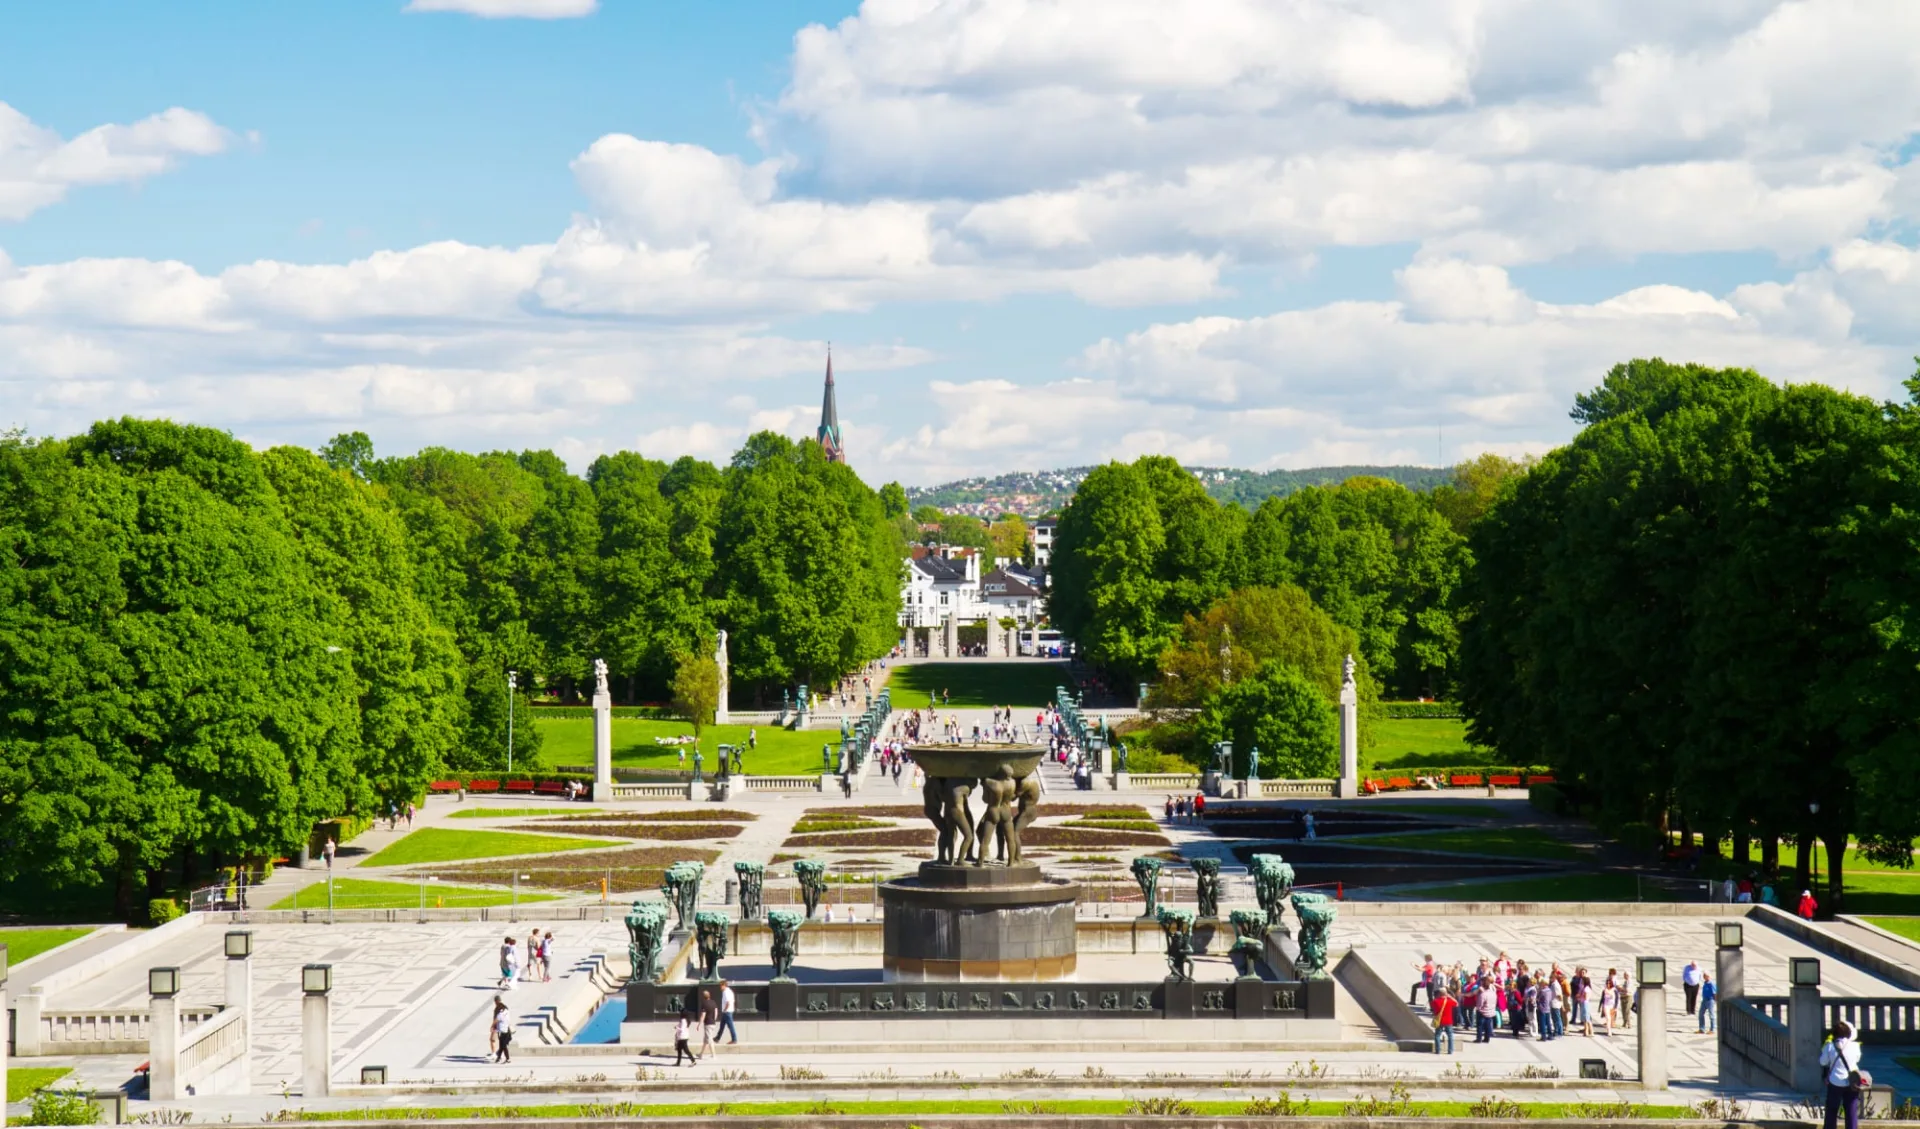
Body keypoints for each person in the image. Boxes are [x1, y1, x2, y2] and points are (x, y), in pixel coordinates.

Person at [1820, 1019, 1865, 1129]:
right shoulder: (1855, 1046)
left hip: (1835, 1082)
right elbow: (1857, 1059)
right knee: (1851, 1109)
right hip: (1852, 1081)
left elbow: (1822, 1062)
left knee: (1832, 1109)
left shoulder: (1830, 1046)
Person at [1431, 986, 1457, 1054]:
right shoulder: (1449, 1001)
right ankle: (1450, 1050)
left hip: (1439, 1021)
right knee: (1450, 1035)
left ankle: (1438, 1050)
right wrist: (1450, 997)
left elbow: (1433, 1009)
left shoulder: (1435, 1001)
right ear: (1446, 993)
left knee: (1437, 1035)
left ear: (1439, 993)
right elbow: (1456, 1003)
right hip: (1448, 1021)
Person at [1474, 977, 1498, 1043]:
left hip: (1483, 1012)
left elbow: (1479, 1005)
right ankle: (1487, 1038)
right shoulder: (1493, 993)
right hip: (1490, 1011)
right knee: (1488, 1026)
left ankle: (1479, 1038)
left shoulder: (1483, 994)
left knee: (1480, 1026)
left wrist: (1478, 1009)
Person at [697, 989, 719, 1056]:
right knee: (705, 1040)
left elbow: (703, 1015)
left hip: (708, 1024)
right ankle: (701, 1054)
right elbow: (716, 1011)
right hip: (713, 1023)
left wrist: (699, 1024)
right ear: (709, 995)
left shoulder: (704, 1004)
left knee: (709, 1040)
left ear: (703, 996)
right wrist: (714, 1020)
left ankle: (714, 1055)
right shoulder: (713, 1002)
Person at [718, 979, 739, 1044]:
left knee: (730, 1026)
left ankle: (734, 1039)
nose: (720, 987)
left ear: (724, 985)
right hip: (728, 1011)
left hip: (727, 1012)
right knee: (722, 1025)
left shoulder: (726, 992)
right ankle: (717, 1038)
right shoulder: (729, 991)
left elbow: (728, 1002)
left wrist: (724, 1009)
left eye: (721, 986)